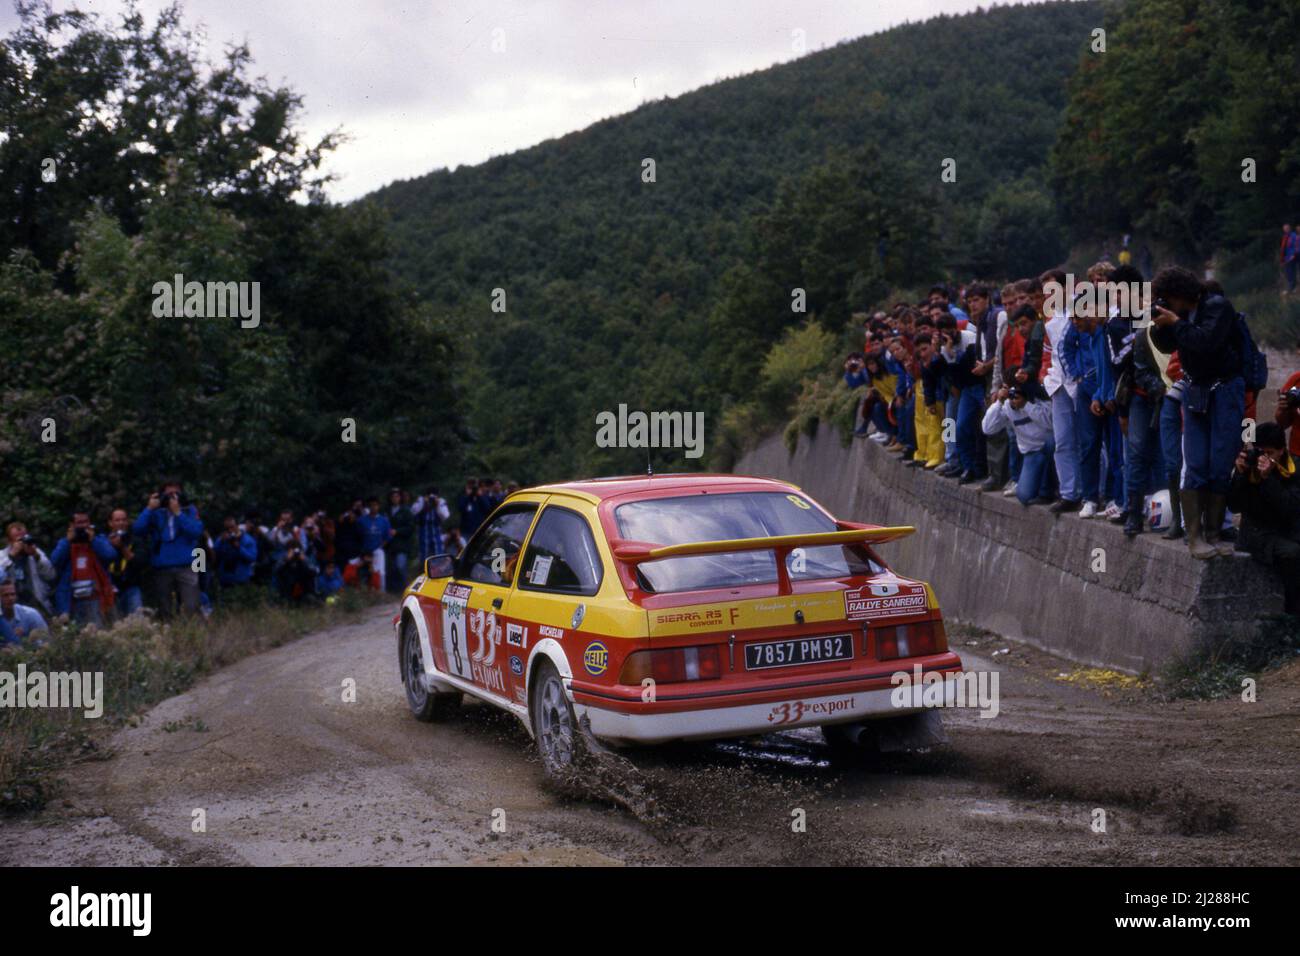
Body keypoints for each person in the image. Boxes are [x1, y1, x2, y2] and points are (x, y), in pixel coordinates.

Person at [1150, 267, 1244, 559]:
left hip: (1225, 390)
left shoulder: (1217, 306)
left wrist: (1175, 322)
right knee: (1195, 463)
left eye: (1167, 298)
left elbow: (1205, 341)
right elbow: (1168, 343)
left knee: (1220, 461)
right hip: (1195, 390)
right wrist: (1159, 323)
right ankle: (1195, 537)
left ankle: (1214, 533)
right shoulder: (1177, 316)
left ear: (1180, 295)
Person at [1228, 423, 1300, 613]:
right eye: (1262, 452)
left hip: (1284, 528)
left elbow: (1290, 508)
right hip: (1255, 534)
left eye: (1270, 453)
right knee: (1293, 553)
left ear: (1282, 451)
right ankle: (1292, 616)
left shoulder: (1294, 468)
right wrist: (1241, 476)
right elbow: (1234, 506)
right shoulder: (1250, 466)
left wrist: (1270, 478)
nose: (1265, 458)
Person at [133, 481, 205, 616]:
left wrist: (178, 513)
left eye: (175, 493)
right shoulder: (156, 513)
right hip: (162, 566)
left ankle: (193, 633)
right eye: (169, 494)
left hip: (187, 565)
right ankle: (169, 633)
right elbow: (137, 529)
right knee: (165, 608)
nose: (172, 497)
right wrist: (149, 508)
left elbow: (196, 532)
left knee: (192, 605)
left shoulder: (189, 510)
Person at [983, 385, 1056, 506]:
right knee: (1024, 496)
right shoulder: (1006, 405)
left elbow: (1050, 423)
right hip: (1031, 453)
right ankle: (1039, 484)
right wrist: (998, 403)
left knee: (1051, 443)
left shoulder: (1038, 398)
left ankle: (1047, 490)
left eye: (1015, 392)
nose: (1012, 396)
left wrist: (1026, 405)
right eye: (1008, 391)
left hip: (1048, 448)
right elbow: (988, 428)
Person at [49, 510, 117, 626]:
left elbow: (110, 555)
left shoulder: (98, 539)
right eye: (79, 523)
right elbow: (55, 560)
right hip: (72, 598)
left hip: (96, 597)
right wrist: (68, 541)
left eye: (85, 522)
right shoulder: (65, 542)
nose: (83, 526)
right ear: (72, 525)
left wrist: (93, 540)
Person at [0, 521, 55, 618]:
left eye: (24, 538)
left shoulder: (35, 552)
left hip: (35, 601)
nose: (23, 543)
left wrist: (36, 556)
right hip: (11, 604)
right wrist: (11, 556)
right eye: (19, 540)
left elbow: (51, 575)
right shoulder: (3, 555)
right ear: (10, 541)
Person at [105, 507, 148, 617]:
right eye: (117, 520)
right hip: (110, 589)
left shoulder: (136, 540)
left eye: (124, 520)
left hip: (131, 587)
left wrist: (122, 547)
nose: (121, 523)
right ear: (110, 523)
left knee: (137, 624)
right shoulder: (103, 541)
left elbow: (140, 562)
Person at [356, 497, 393, 590]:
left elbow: (387, 537)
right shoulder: (361, 520)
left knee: (380, 571)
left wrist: (380, 547)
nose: (373, 507)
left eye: (375, 505)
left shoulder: (384, 520)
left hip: (378, 550)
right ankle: (366, 592)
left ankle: (381, 591)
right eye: (371, 505)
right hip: (364, 551)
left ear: (378, 506)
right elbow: (357, 536)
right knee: (365, 572)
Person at [384, 488, 414, 593]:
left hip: (402, 544)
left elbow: (410, 528)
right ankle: (394, 591)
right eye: (393, 496)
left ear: (400, 497)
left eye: (397, 496)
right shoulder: (387, 511)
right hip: (389, 544)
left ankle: (405, 589)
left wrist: (397, 531)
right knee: (391, 568)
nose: (395, 498)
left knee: (401, 566)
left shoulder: (406, 510)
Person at [0, 579, 47, 644]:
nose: (10, 598)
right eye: (5, 595)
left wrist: (27, 639)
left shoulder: (31, 614)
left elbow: (46, 640)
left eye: (13, 594)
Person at [215, 516, 258, 588]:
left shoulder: (248, 540)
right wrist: (221, 541)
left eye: (232, 527)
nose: (230, 530)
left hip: (241, 578)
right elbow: (215, 552)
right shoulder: (222, 539)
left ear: (237, 526)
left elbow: (252, 558)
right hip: (225, 578)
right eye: (227, 528)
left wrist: (239, 548)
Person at [411, 488, 450, 563]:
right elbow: (413, 511)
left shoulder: (441, 501)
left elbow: (446, 515)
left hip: (436, 532)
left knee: (437, 554)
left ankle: (437, 571)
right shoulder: (421, 500)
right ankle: (423, 569)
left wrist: (437, 505)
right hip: (423, 532)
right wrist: (423, 503)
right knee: (424, 554)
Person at [1281, 223, 1298, 295]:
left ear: (1290, 228)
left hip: (1292, 257)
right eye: (1284, 228)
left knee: (1291, 272)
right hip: (1286, 257)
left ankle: (1291, 288)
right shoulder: (1285, 236)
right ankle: (1293, 288)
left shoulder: (1293, 235)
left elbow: (1296, 245)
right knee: (1288, 273)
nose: (1285, 229)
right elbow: (1284, 248)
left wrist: (1293, 255)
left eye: (1287, 228)